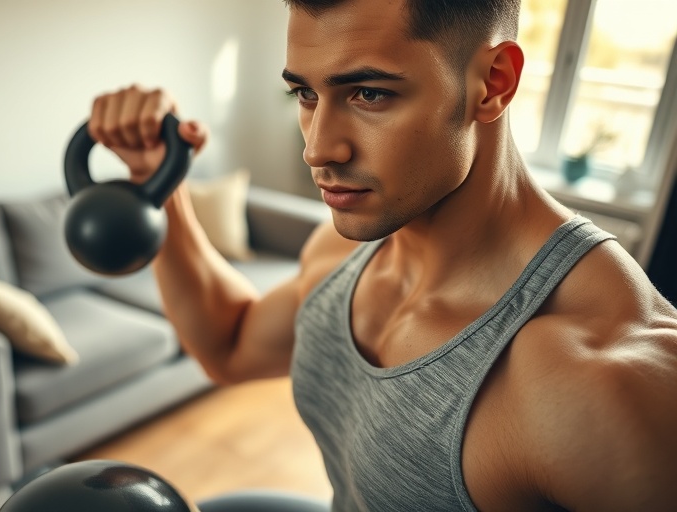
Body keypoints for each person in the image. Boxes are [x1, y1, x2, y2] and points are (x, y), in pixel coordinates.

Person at [84, 0, 677, 510]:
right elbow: (230, 345)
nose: (318, 148)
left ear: (493, 82)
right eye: (305, 93)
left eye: (369, 93)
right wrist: (157, 185)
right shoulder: (345, 251)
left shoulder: (598, 378)